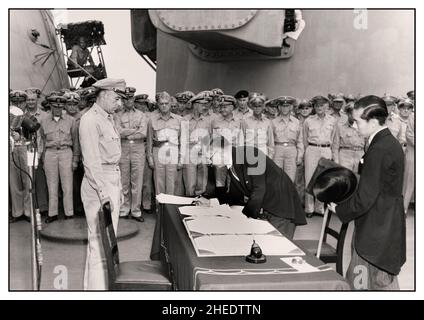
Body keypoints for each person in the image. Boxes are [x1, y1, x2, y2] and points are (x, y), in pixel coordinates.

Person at [335, 95, 406, 290]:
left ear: (373, 122)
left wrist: (339, 209)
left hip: (376, 229)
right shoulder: (385, 142)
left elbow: (365, 197)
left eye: (357, 121)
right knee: (379, 280)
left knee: (363, 283)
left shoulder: (380, 149)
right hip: (383, 224)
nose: (355, 126)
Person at [200, 137, 306, 239]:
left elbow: (259, 189)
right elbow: (235, 196)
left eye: (210, 157)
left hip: (282, 206)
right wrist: (212, 203)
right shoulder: (231, 166)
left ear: (221, 151)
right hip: (266, 207)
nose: (210, 163)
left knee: (279, 247)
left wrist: (246, 216)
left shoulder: (250, 154)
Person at [79, 78, 126, 290]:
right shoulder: (90, 120)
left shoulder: (108, 118)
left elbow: (114, 157)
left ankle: (102, 288)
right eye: (116, 98)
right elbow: (91, 162)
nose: (119, 103)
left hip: (111, 180)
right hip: (99, 184)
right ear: (104, 94)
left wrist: (119, 189)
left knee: (108, 240)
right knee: (98, 244)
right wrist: (103, 193)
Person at [39, 95, 80, 223]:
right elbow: (43, 139)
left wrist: (75, 159)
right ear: (50, 106)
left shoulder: (70, 120)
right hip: (50, 153)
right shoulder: (44, 121)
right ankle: (53, 213)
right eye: (55, 106)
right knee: (51, 185)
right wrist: (43, 157)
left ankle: (69, 213)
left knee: (67, 185)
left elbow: (76, 141)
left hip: (66, 152)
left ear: (63, 107)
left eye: (60, 106)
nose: (57, 109)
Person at [114, 87, 148, 222]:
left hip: (138, 148)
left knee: (137, 181)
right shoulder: (117, 115)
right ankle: (124, 209)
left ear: (133, 99)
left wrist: (126, 132)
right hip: (123, 148)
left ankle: (136, 211)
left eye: (130, 98)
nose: (128, 101)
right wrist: (133, 131)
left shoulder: (141, 115)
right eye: (125, 98)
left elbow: (143, 133)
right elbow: (117, 131)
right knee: (123, 180)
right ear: (122, 100)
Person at [303, 95, 338, 218]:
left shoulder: (332, 121)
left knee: (323, 179)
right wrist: (306, 152)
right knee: (309, 178)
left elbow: (335, 139)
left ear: (327, 106)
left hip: (326, 149)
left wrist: (334, 156)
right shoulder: (308, 120)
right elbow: (304, 139)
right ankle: (309, 209)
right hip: (312, 149)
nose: (319, 108)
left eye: (322, 105)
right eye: (316, 105)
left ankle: (319, 208)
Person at [147, 91, 182, 197]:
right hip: (158, 151)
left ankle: (170, 209)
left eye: (166, 103)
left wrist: (182, 159)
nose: (164, 106)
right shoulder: (152, 120)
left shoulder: (179, 120)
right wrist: (150, 158)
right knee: (159, 182)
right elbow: (149, 140)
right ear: (158, 105)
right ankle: (160, 209)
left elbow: (183, 141)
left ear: (171, 104)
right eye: (161, 104)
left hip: (173, 151)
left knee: (172, 182)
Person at [181, 91, 213, 196]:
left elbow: (210, 138)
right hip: (189, 155)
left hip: (203, 155)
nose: (205, 107)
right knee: (190, 184)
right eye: (202, 104)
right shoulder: (185, 120)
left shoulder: (207, 121)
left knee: (202, 184)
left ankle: (199, 207)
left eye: (205, 104)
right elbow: (182, 140)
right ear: (195, 105)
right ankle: (189, 206)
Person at [211, 94, 244, 187]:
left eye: (225, 107)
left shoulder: (240, 121)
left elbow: (242, 140)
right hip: (220, 154)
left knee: (235, 180)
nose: (222, 109)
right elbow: (211, 139)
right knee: (220, 182)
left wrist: (240, 157)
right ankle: (220, 201)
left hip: (235, 153)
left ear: (232, 107)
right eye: (221, 107)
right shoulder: (215, 121)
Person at [9, 90, 31, 222]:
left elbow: (36, 135)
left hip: (25, 149)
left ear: (25, 103)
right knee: (14, 182)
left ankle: (28, 212)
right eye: (15, 102)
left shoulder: (29, 117)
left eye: (20, 102)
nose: (18, 104)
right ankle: (17, 212)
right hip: (11, 150)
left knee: (27, 181)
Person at [270, 96, 303, 182]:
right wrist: (271, 154)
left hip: (291, 149)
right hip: (278, 149)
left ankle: (288, 195)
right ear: (279, 107)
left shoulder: (297, 122)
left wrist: (300, 155)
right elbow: (270, 140)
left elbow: (300, 140)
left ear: (291, 107)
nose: (285, 108)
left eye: (287, 106)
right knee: (276, 177)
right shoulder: (273, 122)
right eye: (283, 106)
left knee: (290, 178)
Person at [333, 102, 366, 173]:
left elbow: (367, 146)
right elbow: (335, 146)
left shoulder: (364, 128)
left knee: (359, 179)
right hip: (345, 156)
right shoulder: (340, 127)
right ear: (347, 114)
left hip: (360, 155)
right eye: (351, 113)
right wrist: (336, 161)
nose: (354, 116)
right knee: (344, 178)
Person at [242, 94, 275, 158]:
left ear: (263, 107)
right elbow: (241, 140)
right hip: (249, 153)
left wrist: (270, 156)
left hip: (263, 153)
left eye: (259, 106)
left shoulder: (267, 122)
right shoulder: (245, 121)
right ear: (252, 107)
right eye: (255, 106)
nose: (257, 108)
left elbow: (270, 142)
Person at [402, 105, 414, 214]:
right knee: (409, 181)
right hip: (413, 152)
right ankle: (404, 208)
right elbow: (410, 135)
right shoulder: (413, 116)